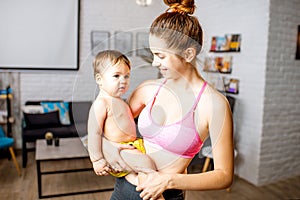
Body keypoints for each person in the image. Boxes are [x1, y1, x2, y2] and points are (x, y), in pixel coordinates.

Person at [103, 0, 234, 199]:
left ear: (188, 54)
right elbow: (113, 127)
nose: (155, 62)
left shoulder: (213, 104)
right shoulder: (148, 90)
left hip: (166, 194)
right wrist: (107, 148)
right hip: (124, 189)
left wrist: (168, 180)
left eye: (160, 56)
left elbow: (224, 175)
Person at [87, 50, 164, 196]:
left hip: (132, 146)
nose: (123, 80)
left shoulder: (119, 100)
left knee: (137, 174)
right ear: (99, 79)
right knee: (147, 165)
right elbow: (94, 132)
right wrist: (97, 160)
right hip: (121, 151)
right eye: (116, 76)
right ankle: (156, 193)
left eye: (127, 76)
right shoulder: (101, 104)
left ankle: (138, 182)